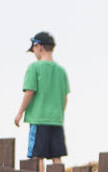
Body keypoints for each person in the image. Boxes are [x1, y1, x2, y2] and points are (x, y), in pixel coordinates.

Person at [15, 32, 70, 163]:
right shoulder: (61, 71)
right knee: (56, 156)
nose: (34, 53)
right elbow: (65, 97)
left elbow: (29, 92)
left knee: (37, 156)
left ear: (39, 46)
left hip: (38, 118)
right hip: (56, 119)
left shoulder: (34, 67)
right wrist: (59, 113)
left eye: (33, 49)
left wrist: (20, 113)